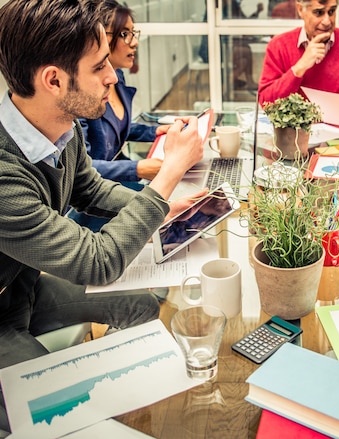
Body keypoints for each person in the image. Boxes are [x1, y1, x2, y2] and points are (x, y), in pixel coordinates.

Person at [0, 0, 204, 432]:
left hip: (23, 288)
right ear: (53, 80)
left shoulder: (60, 123)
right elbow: (98, 261)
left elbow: (89, 188)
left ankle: (127, 401)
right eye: (98, 67)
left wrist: (162, 205)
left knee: (141, 305)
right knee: (64, 413)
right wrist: (167, 177)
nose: (112, 76)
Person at [79, 0, 167, 185]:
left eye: (133, 33)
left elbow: (116, 128)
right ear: (98, 37)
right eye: (124, 34)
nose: (134, 43)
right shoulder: (78, 95)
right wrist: (138, 169)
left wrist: (155, 131)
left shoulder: (116, 76)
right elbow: (81, 169)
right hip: (96, 193)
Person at [257, 0, 339, 105]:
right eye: (318, 12)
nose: (327, 21)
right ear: (300, 9)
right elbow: (265, 102)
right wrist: (299, 67)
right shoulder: (279, 45)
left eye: (331, 11)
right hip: (294, 128)